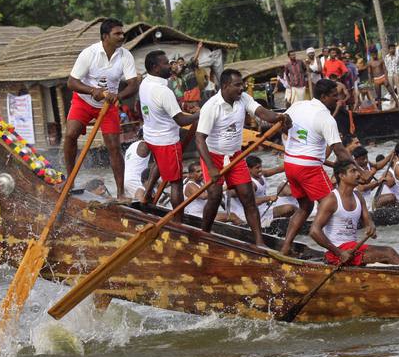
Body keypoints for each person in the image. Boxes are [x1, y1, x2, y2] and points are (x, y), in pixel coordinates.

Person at [195, 69, 290, 246]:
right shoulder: (211, 106)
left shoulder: (243, 98)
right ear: (225, 86)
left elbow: (262, 112)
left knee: (247, 196)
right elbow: (199, 139)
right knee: (214, 196)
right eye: (237, 85)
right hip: (213, 156)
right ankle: (204, 234)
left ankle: (259, 241)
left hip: (236, 157)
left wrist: (279, 117)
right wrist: (211, 168)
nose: (242, 88)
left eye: (242, 84)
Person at [63, 18, 141, 199]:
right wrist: (92, 90)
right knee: (70, 134)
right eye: (117, 34)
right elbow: (71, 82)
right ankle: (70, 180)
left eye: (122, 33)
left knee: (114, 146)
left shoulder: (125, 56)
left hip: (108, 104)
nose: (122, 36)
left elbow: (133, 84)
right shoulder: (89, 53)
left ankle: (120, 193)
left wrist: (118, 97)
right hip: (84, 100)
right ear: (105, 36)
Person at [279, 78, 353, 255]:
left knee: (306, 207)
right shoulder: (325, 118)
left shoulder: (297, 106)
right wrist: (359, 171)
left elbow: (281, 127)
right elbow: (340, 151)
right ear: (324, 96)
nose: (338, 100)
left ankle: (286, 247)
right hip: (308, 167)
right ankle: (338, 251)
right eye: (334, 96)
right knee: (333, 206)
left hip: (290, 164)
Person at [138, 50, 200, 211]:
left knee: (158, 164)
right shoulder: (164, 91)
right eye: (166, 63)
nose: (170, 66)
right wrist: (199, 115)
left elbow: (148, 107)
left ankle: (146, 196)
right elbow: (180, 120)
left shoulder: (145, 83)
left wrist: (184, 107)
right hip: (166, 141)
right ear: (155, 68)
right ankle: (178, 219)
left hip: (151, 136)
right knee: (176, 183)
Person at [311, 160, 399, 266]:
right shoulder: (331, 200)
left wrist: (371, 226)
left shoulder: (358, 196)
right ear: (341, 175)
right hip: (336, 252)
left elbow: (368, 221)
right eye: (353, 171)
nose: (358, 174)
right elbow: (314, 231)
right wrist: (339, 253)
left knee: (389, 255)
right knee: (388, 252)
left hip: (352, 248)